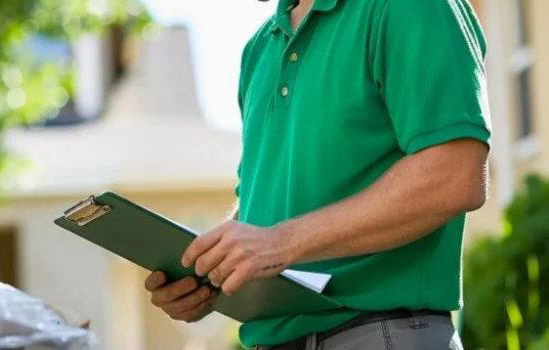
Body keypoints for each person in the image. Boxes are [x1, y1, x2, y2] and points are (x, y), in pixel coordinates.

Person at [145, 0, 491, 349]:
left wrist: (280, 242)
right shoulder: (260, 47)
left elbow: (456, 176)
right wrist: (211, 274)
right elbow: (263, 205)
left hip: (381, 334)